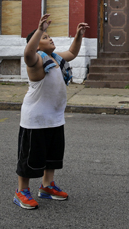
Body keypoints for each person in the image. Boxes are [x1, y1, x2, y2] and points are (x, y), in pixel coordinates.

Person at [13, 14, 89, 210]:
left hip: (54, 118)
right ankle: (21, 191)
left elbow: (72, 52)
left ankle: (47, 187)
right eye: (46, 37)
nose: (50, 38)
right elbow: (28, 54)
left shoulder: (55, 59)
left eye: (48, 36)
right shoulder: (36, 62)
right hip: (35, 119)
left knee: (52, 155)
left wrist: (79, 35)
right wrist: (39, 31)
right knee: (29, 158)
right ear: (37, 44)